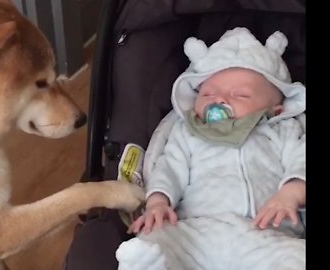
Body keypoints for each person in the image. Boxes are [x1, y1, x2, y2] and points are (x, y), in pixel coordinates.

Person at [115, 27, 306, 270]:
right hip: (196, 231)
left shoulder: (283, 130)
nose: (220, 100)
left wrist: (290, 194)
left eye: (241, 95)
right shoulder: (188, 133)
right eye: (208, 93)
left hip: (266, 232)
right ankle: (149, 262)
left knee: (296, 257)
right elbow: (168, 167)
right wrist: (158, 202)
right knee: (162, 240)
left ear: (276, 109)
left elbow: (302, 160)